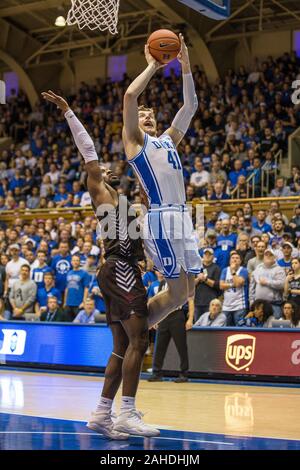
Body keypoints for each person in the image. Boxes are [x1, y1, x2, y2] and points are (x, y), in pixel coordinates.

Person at [42, 90, 158, 439]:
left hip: (121, 269)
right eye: (101, 167)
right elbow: (89, 151)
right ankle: (126, 413)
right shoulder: (100, 191)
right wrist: (69, 113)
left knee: (123, 347)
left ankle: (101, 414)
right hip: (119, 268)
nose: (105, 167)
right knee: (140, 341)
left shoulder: (125, 201)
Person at [122, 34, 202, 328]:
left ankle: (138, 324)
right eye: (142, 115)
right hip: (161, 216)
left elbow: (190, 106)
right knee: (178, 292)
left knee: (187, 291)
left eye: (151, 114)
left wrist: (186, 67)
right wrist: (154, 66)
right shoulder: (134, 142)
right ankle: (135, 330)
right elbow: (130, 96)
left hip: (182, 215)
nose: (147, 116)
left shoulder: (168, 140)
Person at [148, 275, 193, 383]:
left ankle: (184, 373)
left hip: (177, 315)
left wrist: (190, 318)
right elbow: (158, 302)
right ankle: (157, 373)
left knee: (181, 346)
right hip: (163, 316)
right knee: (160, 346)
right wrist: (155, 318)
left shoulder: (182, 282)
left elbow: (191, 300)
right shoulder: (163, 282)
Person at [250, 248, 286, 319]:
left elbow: (281, 284)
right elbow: (252, 286)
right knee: (259, 328)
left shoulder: (279, 269)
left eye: (270, 255)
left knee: (274, 327)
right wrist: (251, 301)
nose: (268, 256)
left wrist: (267, 282)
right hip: (259, 305)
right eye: (266, 254)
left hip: (274, 304)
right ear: (263, 257)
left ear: (274, 257)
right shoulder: (258, 268)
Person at [220, 251, 249, 326]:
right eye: (232, 258)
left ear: (240, 261)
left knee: (240, 329)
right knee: (224, 330)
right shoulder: (225, 270)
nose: (234, 260)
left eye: (237, 258)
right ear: (230, 260)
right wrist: (233, 284)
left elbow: (238, 283)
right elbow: (221, 286)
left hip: (240, 306)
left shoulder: (244, 270)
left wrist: (233, 271)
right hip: (226, 306)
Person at [194, 248, 221, 321]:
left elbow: (217, 285)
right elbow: (190, 285)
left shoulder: (216, 268)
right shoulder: (196, 268)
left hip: (211, 303)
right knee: (197, 325)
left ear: (213, 257)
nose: (207, 256)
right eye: (206, 254)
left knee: (209, 324)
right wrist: (198, 279)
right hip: (197, 302)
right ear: (202, 256)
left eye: (210, 254)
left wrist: (205, 279)